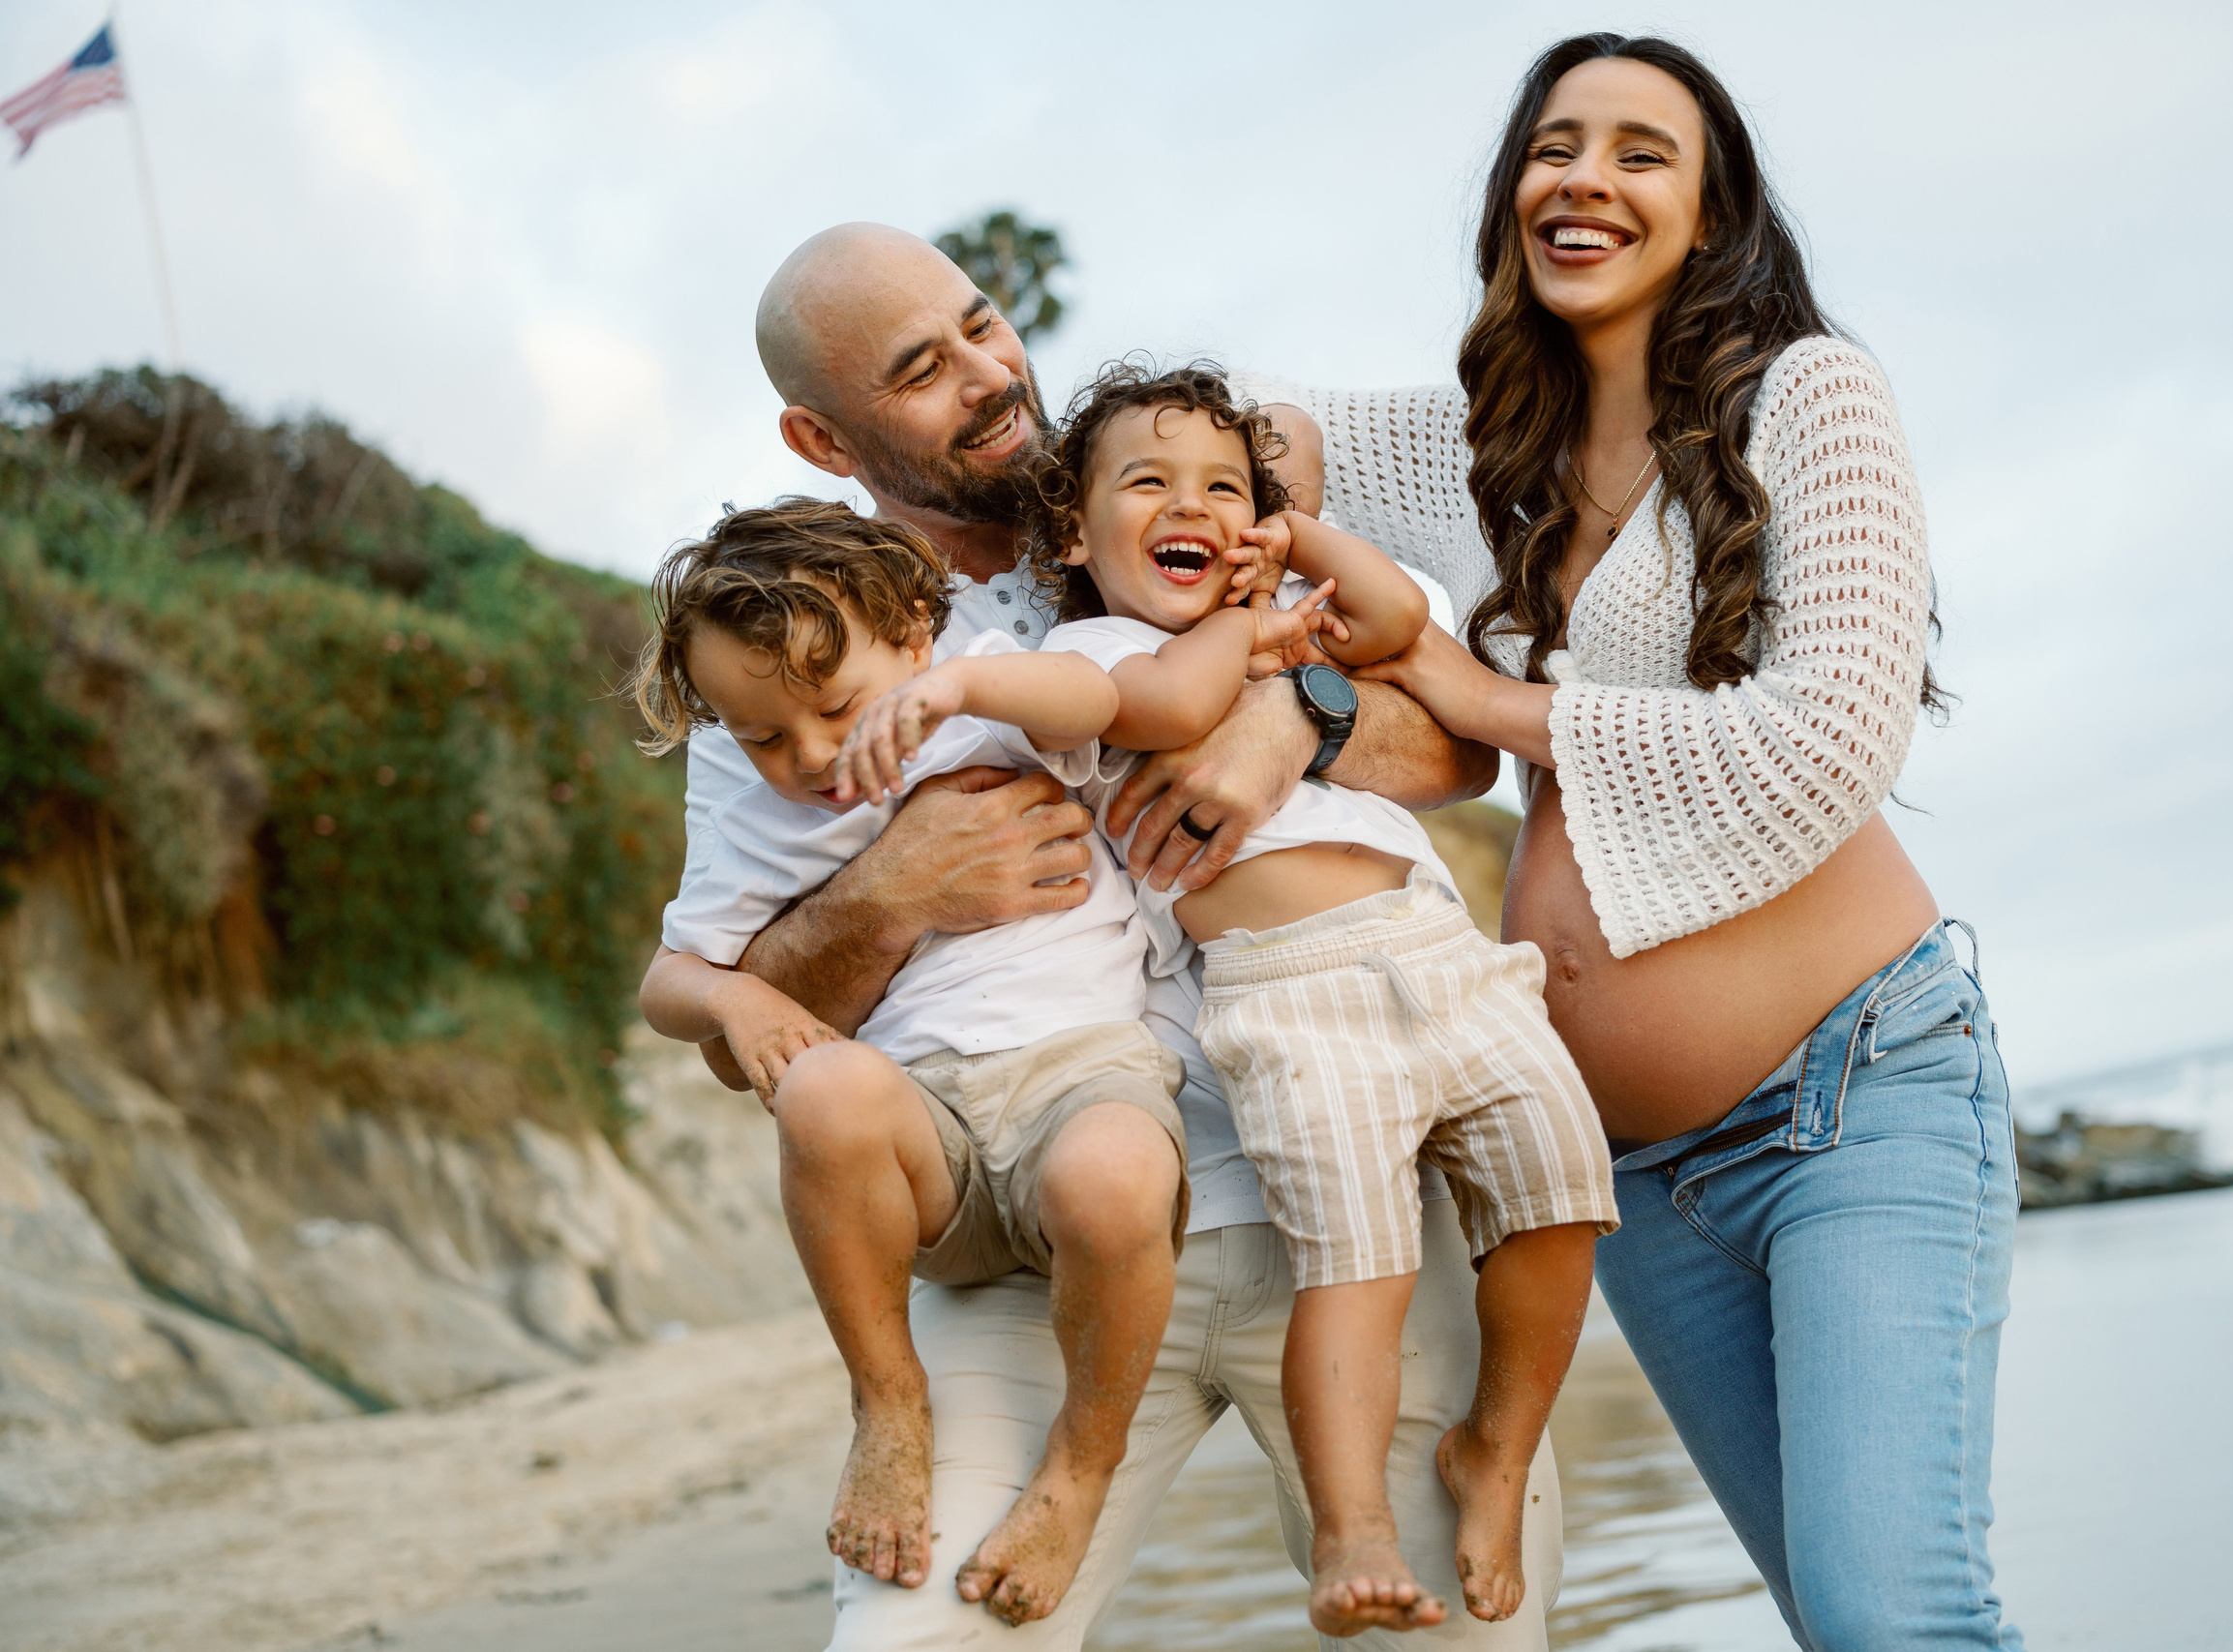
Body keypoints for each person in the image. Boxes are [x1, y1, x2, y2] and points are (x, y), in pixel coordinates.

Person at [1240, 33, 2026, 1652]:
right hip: (1641, 1178)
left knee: (1900, 1621)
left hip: (1856, 1097)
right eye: (1555, 144)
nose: (1584, 176)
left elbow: (1829, 737)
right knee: (1840, 1626)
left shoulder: (1811, 394)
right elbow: (1226, 449)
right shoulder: (1484, 449)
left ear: (1712, 209)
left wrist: (1486, 695)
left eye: (1640, 151)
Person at [673, 222, 1561, 1648]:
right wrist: (890, 888)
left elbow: (1452, 745)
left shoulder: (1164, 494)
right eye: (921, 369)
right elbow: (748, 1034)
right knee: (914, 1636)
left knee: (1458, 1628)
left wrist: (1286, 718)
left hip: (1339, 1193)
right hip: (1042, 1234)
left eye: (983, 323)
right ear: (820, 436)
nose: (988, 373)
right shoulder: (801, 658)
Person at [1023, 361, 1617, 1632]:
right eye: (1150, 483)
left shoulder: (1296, 599)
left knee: (1562, 1186)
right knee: (1358, 1255)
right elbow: (1180, 709)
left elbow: (1399, 614)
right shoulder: (1098, 648)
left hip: (1437, 950)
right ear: (1075, 533)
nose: (1198, 507)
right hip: (1291, 992)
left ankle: (1494, 1452)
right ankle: (1352, 1522)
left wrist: (1299, 548)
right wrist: (1264, 637)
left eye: (1228, 489)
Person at [632, 500, 1255, 1621]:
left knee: (1114, 1178)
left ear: (919, 636)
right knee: (821, 1088)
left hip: (1084, 1079)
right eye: (761, 734)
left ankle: (1080, 1466)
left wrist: (962, 691)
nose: (811, 758)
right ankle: (887, 1403)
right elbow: (666, 981)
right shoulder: (761, 812)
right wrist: (731, 996)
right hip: (927, 1132)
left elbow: (1103, 697)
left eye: (835, 707)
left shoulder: (992, 694)